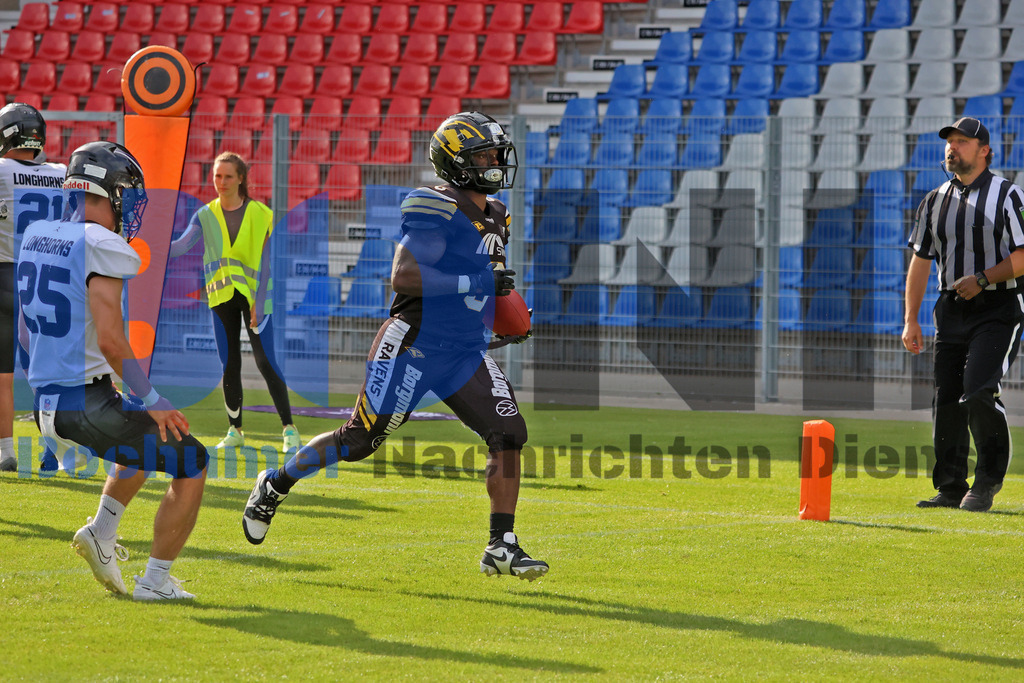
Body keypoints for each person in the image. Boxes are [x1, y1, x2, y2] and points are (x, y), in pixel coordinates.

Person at [240, 112, 548, 580]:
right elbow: (404, 276)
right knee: (359, 440)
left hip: (463, 349)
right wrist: (476, 280)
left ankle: (500, 545)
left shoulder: (497, 214)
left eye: (494, 153)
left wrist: (503, 320)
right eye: (484, 154)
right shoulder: (436, 206)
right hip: (414, 343)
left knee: (509, 434)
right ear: (455, 163)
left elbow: (483, 289)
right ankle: (275, 482)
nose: (494, 162)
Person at [19, 141, 208, 599]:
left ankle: (102, 534)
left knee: (141, 442)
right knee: (193, 461)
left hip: (49, 401)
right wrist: (153, 398)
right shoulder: (100, 244)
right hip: (83, 403)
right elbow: (109, 338)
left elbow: (29, 332)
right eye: (127, 196)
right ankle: (156, 583)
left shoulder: (39, 234)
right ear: (110, 194)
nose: (131, 208)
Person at [904, 116, 1024, 513]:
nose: (951, 148)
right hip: (950, 308)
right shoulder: (934, 200)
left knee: (977, 390)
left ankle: (987, 482)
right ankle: (951, 486)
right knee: (947, 399)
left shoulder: (1008, 195)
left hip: (998, 308)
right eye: (949, 142)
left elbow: (1023, 256)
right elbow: (921, 261)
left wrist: (984, 279)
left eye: (961, 141)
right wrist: (911, 318)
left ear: (984, 150)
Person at [169, 151, 300, 454]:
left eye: (228, 176)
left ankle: (289, 429)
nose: (221, 182)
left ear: (241, 178)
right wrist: (152, 239)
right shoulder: (204, 214)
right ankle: (235, 430)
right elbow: (179, 248)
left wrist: (259, 299)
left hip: (257, 297)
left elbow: (266, 264)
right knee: (230, 364)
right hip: (221, 296)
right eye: (217, 176)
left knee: (266, 362)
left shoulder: (260, 213)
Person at [0, 103, 66, 472]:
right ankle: (52, 452)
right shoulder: (60, 173)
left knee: (2, 374)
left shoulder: (1, 171)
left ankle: (6, 452)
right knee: (45, 372)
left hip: (5, 275)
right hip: (47, 280)